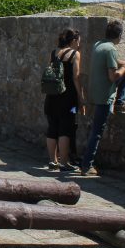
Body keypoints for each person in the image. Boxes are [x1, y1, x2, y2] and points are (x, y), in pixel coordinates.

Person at [80, 20, 125, 177]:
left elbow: (113, 62)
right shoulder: (111, 49)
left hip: (94, 91)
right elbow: (113, 77)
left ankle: (119, 102)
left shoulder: (98, 45)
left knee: (94, 129)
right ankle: (87, 166)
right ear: (119, 35)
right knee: (97, 132)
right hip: (104, 95)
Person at [44, 28, 85, 172]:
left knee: (52, 128)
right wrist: (81, 98)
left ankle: (52, 161)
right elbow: (76, 77)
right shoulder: (75, 54)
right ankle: (64, 163)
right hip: (67, 98)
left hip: (51, 96)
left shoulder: (53, 53)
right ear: (73, 40)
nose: (79, 44)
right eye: (78, 41)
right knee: (65, 129)